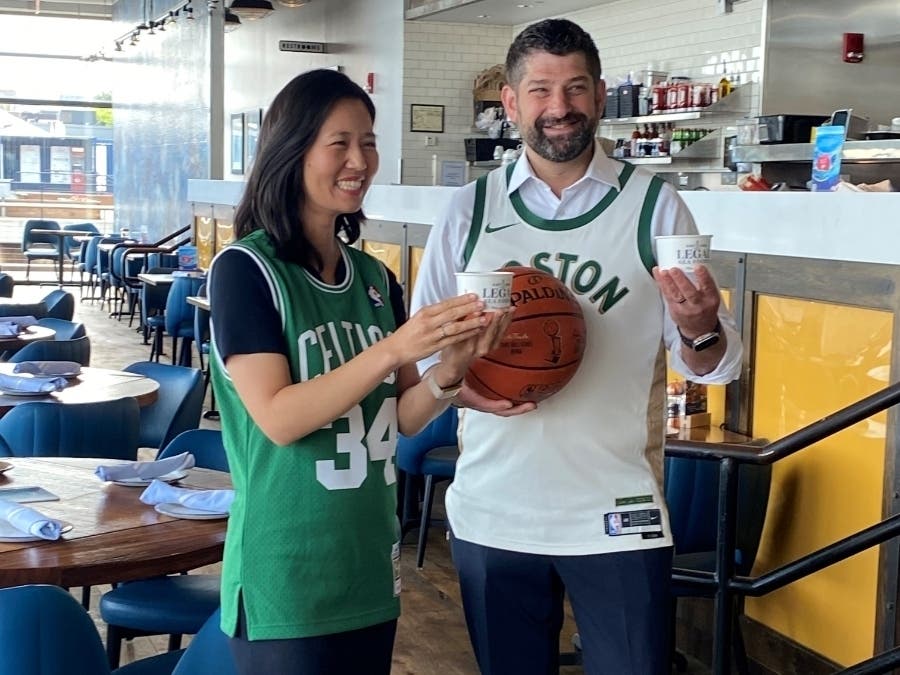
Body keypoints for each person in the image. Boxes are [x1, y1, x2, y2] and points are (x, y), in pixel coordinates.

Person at [411, 19, 743, 675]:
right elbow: (427, 354)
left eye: (575, 88)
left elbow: (710, 362)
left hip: (618, 510)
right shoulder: (468, 211)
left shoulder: (656, 207)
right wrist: (468, 383)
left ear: (598, 95)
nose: (558, 107)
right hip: (494, 508)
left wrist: (703, 325)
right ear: (511, 103)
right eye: (539, 90)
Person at [207, 69, 509, 675]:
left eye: (368, 142)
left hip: (369, 565)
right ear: (292, 151)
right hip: (285, 573)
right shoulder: (245, 271)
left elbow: (397, 418)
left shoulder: (375, 280)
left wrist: (450, 371)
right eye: (339, 143)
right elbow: (279, 418)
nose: (359, 160)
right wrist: (394, 349)